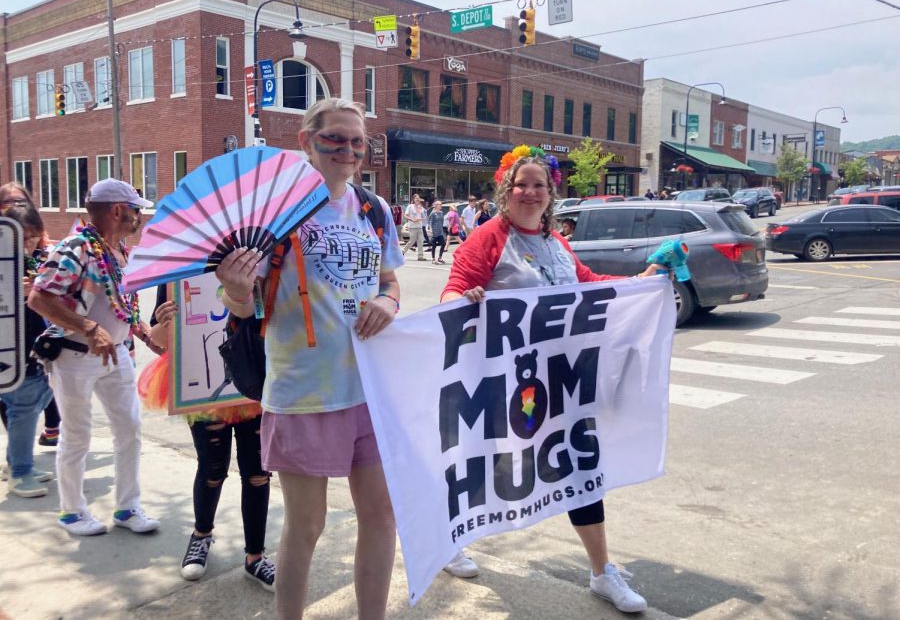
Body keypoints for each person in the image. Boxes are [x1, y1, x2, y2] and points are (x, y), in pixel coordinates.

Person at [440, 146, 665, 614]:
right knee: (485, 465)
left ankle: (603, 572)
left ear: (551, 192)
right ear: (506, 189)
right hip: (505, 382)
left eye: (539, 184)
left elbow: (588, 285)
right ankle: (449, 539)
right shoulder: (487, 238)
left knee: (581, 467)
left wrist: (640, 283)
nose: (530, 192)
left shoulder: (557, 242)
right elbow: (453, 289)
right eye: (521, 184)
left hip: (561, 381)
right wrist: (464, 296)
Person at [215, 97, 402, 619]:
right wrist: (234, 289)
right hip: (302, 390)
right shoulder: (271, 212)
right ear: (307, 141)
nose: (348, 150)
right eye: (335, 138)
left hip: (370, 387)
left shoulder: (375, 209)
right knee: (307, 525)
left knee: (381, 516)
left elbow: (388, 281)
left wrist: (387, 302)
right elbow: (241, 305)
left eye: (357, 141)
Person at [28, 178, 160, 536]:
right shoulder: (77, 248)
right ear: (117, 211)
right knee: (77, 434)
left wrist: (143, 332)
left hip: (116, 355)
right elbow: (39, 298)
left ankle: (128, 507)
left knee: (129, 429)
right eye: (136, 210)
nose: (139, 217)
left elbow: (120, 306)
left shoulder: (119, 251)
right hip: (74, 356)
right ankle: (72, 512)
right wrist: (87, 326)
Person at [148, 291, 276, 590]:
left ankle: (255, 556)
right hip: (204, 386)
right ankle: (201, 535)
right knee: (212, 470)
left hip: (254, 380)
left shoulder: (260, 260)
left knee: (258, 474)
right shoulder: (180, 267)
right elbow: (158, 341)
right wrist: (164, 324)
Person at [0, 206, 56, 498]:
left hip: (33, 346)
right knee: (23, 410)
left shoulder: (30, 262)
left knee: (33, 405)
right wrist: (14, 292)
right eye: (24, 238)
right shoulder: (6, 266)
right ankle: (19, 472)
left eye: (34, 238)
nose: (29, 244)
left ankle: (19, 465)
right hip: (13, 352)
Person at [402, 194, 426, 260]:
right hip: (412, 226)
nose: (417, 199)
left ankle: (420, 256)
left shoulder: (420, 207)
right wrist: (412, 219)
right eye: (416, 198)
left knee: (421, 241)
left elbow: (424, 215)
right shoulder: (410, 206)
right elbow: (405, 215)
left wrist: (422, 217)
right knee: (412, 241)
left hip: (419, 226)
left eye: (418, 198)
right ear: (413, 199)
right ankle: (402, 252)